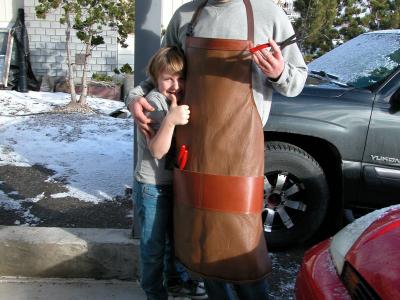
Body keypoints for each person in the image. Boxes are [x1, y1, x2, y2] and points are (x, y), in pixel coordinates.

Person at [127, 1, 308, 299]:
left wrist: (279, 73)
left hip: (241, 153)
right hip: (193, 148)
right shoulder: (185, 15)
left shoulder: (268, 14)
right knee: (204, 241)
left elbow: (297, 81)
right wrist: (134, 98)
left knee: (243, 242)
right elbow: (158, 73)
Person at [133, 46, 207, 300]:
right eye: (168, 78)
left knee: (174, 242)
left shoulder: (176, 99)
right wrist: (171, 121)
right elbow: (157, 150)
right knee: (153, 247)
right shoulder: (154, 103)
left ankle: (176, 282)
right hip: (152, 186)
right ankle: (154, 293)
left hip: (173, 184)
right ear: (156, 78)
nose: (175, 85)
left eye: (180, 78)